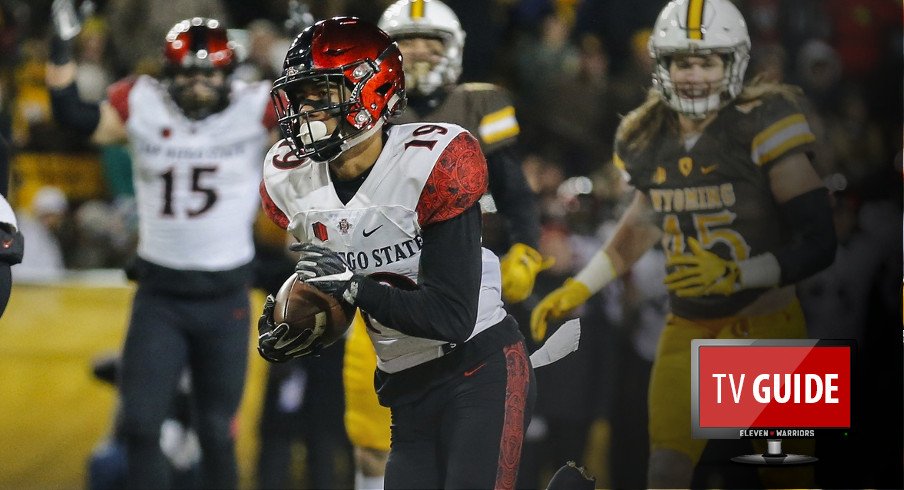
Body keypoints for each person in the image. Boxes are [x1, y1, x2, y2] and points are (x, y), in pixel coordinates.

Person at [529, 0, 836, 487]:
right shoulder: (648, 133)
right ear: (662, 65)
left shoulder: (766, 122)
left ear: (732, 62)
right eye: (681, 61)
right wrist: (580, 288)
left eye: (706, 60)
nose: (693, 74)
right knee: (665, 472)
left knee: (789, 480)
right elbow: (637, 229)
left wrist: (740, 273)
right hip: (688, 325)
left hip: (767, 326)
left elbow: (821, 240)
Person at [256, 17, 536, 490]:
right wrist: (307, 319)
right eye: (300, 97)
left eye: (321, 96)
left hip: (478, 368)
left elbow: (450, 317)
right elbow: (333, 270)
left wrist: (350, 285)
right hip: (404, 385)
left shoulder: (435, 160)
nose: (305, 112)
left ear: (372, 91)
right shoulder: (291, 176)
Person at [46, 9, 277, 488]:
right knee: (140, 426)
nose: (198, 83)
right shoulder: (143, 101)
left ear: (228, 74)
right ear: (169, 74)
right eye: (188, 72)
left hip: (226, 298)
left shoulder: (256, 106)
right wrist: (61, 47)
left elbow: (318, 116)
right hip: (160, 298)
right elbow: (72, 114)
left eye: (208, 72)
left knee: (216, 431)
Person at [336, 1, 549, 487]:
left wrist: (526, 249)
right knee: (374, 445)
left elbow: (514, 191)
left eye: (431, 42)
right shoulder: (361, 113)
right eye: (407, 42)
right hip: (382, 287)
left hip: (459, 285)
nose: (420, 52)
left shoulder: (481, 102)